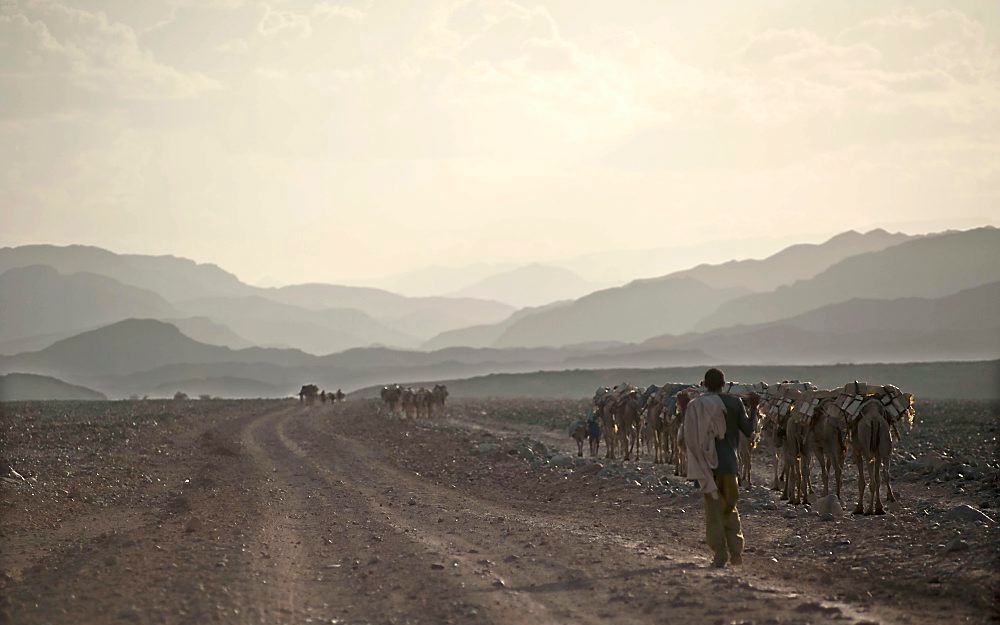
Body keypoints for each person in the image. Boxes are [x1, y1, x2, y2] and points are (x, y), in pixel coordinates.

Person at [683, 368, 754, 568]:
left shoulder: (695, 405)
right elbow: (748, 430)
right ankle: (736, 553)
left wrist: (682, 409)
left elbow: (689, 435)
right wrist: (755, 408)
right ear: (724, 384)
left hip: (708, 467)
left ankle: (720, 554)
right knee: (730, 508)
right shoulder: (735, 403)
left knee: (713, 510)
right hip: (730, 465)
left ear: (704, 384)